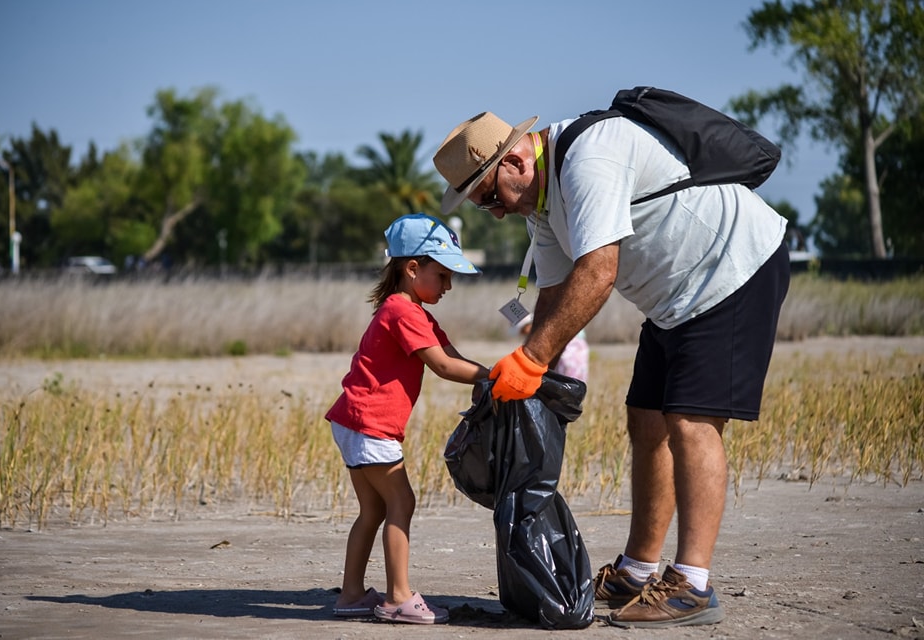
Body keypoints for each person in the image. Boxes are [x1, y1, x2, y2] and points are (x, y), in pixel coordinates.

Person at [433, 109, 789, 628]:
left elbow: (599, 272)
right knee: (646, 419)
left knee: (690, 422)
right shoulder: (542, 203)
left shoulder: (587, 158)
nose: (496, 213)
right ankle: (637, 570)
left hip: (731, 269)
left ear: (515, 162)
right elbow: (554, 293)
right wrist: (526, 374)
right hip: (672, 299)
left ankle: (692, 585)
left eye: (489, 198)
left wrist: (531, 361)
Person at [326, 212, 489, 625]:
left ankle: (351, 595)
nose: (449, 285)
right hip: (370, 424)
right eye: (443, 275)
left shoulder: (412, 311)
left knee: (373, 510)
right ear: (412, 268)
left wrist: (488, 374)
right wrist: (494, 378)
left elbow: (450, 354)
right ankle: (398, 597)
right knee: (402, 501)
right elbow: (443, 366)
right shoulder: (403, 312)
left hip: (353, 420)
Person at [514, 314, 589, 382]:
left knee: (570, 377)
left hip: (571, 349)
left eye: (523, 330)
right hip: (567, 350)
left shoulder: (546, 327)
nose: (524, 333)